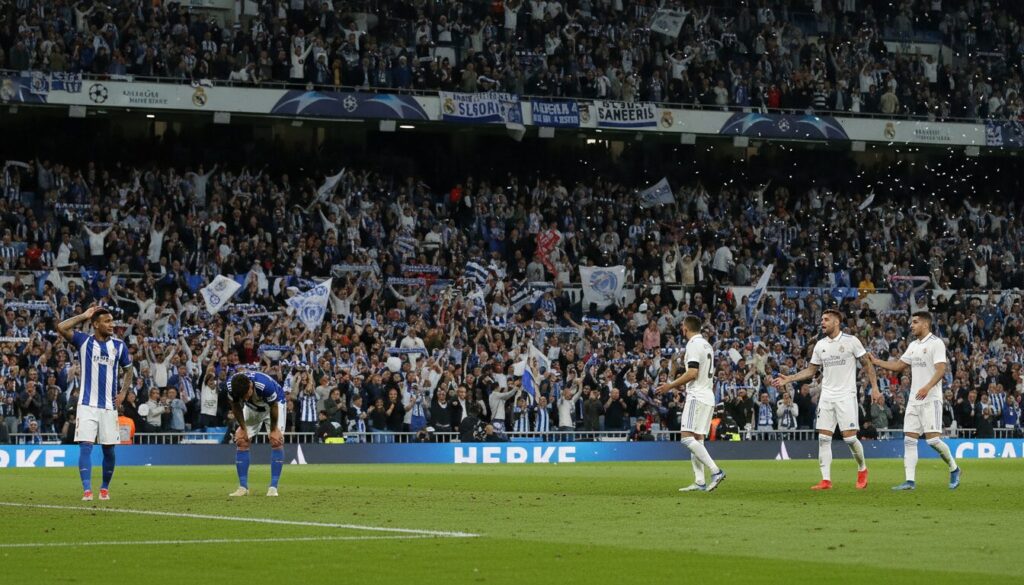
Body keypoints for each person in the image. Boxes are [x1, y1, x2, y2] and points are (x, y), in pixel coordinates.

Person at [772, 309, 879, 490]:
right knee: (823, 437)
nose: (822, 322)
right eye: (821, 319)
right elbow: (810, 371)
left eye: (826, 319)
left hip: (846, 395)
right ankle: (826, 480)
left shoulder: (851, 341)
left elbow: (867, 364)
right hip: (827, 396)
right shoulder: (820, 345)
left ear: (836, 322)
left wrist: (875, 388)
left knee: (850, 439)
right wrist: (789, 378)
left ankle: (862, 469)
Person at [871, 312, 961, 490]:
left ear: (925, 325)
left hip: (931, 399)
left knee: (933, 441)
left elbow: (941, 369)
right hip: (914, 399)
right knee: (909, 440)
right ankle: (910, 481)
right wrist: (876, 361)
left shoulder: (936, 343)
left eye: (915, 322)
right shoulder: (913, 345)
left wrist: (927, 387)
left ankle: (954, 468)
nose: (911, 325)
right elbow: (898, 366)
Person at [56, 306, 133, 501]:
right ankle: (87, 490)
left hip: (108, 406)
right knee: (86, 446)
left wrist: (123, 392)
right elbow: (61, 327)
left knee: (109, 449)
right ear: (95, 324)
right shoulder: (84, 341)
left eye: (112, 321)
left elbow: (129, 369)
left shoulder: (119, 346)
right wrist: (83, 315)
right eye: (107, 321)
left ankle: (105, 489)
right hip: (87, 404)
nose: (111, 325)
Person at [656, 316, 727, 492]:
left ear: (685, 329)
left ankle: (715, 471)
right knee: (697, 440)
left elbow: (692, 373)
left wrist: (670, 386)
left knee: (686, 438)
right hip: (708, 396)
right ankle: (700, 481)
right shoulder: (706, 345)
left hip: (697, 396)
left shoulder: (693, 345)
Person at [228, 370, 286, 497]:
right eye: (243, 397)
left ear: (250, 385)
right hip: (252, 408)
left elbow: (274, 406)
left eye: (247, 394)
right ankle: (243, 487)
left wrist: (274, 429)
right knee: (241, 440)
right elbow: (235, 405)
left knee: (276, 441)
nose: (246, 398)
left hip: (274, 405)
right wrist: (243, 428)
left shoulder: (265, 386)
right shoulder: (231, 386)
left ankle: (273, 488)